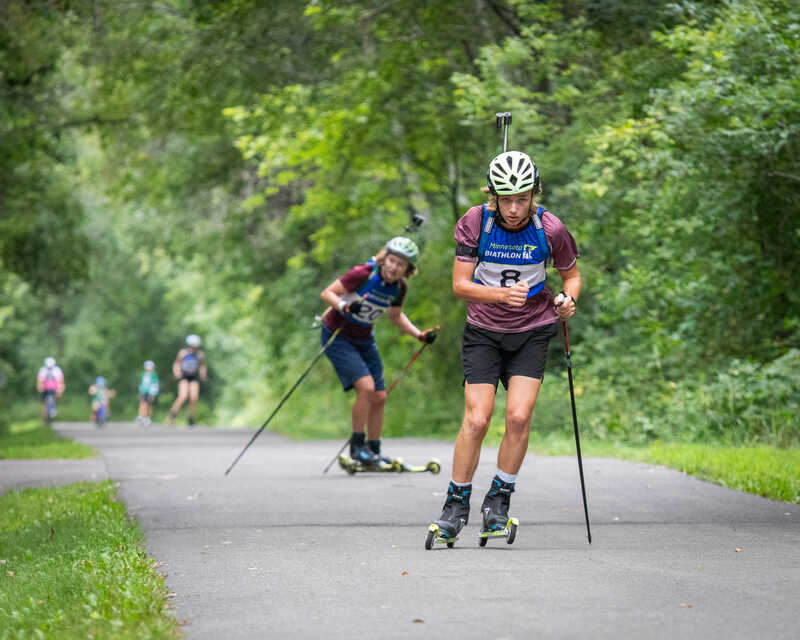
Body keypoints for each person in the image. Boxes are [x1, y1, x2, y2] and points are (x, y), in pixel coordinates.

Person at [428, 149, 581, 543]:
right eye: (506, 199)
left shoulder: (552, 230)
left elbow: (571, 276)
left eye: (523, 198)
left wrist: (567, 300)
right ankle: (455, 504)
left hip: (532, 330)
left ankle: (498, 502)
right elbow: (460, 285)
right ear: (493, 195)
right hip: (483, 331)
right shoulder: (475, 223)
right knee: (477, 419)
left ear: (534, 194)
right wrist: (500, 297)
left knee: (518, 417)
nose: (514, 209)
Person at [320, 237, 437, 467]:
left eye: (401, 265)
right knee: (366, 388)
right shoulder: (364, 273)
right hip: (338, 335)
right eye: (392, 261)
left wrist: (419, 335)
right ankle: (357, 448)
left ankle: (373, 450)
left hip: (364, 338)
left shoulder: (399, 287)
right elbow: (327, 294)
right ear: (384, 258)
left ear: (408, 270)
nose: (394, 268)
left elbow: (395, 316)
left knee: (380, 397)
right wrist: (344, 306)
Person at [167, 335, 207, 426]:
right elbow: (176, 364)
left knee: (194, 398)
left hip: (194, 378)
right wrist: (177, 372)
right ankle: (172, 415)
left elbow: (202, 366)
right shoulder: (183, 353)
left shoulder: (199, 355)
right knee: (182, 396)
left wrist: (203, 374)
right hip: (184, 377)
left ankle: (191, 418)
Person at [36, 357, 65, 422]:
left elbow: (60, 381)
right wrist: (39, 387)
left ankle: (53, 409)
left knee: (54, 398)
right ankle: (45, 418)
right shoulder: (43, 370)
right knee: (45, 403)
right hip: (45, 389)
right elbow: (40, 381)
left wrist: (61, 389)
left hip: (54, 389)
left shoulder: (57, 370)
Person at [136, 360, 160, 426]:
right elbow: (142, 384)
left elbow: (155, 384)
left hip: (150, 392)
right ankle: (141, 416)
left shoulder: (154, 375)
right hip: (144, 392)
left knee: (149, 405)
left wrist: (153, 393)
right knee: (142, 403)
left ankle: (147, 418)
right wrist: (140, 391)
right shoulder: (143, 375)